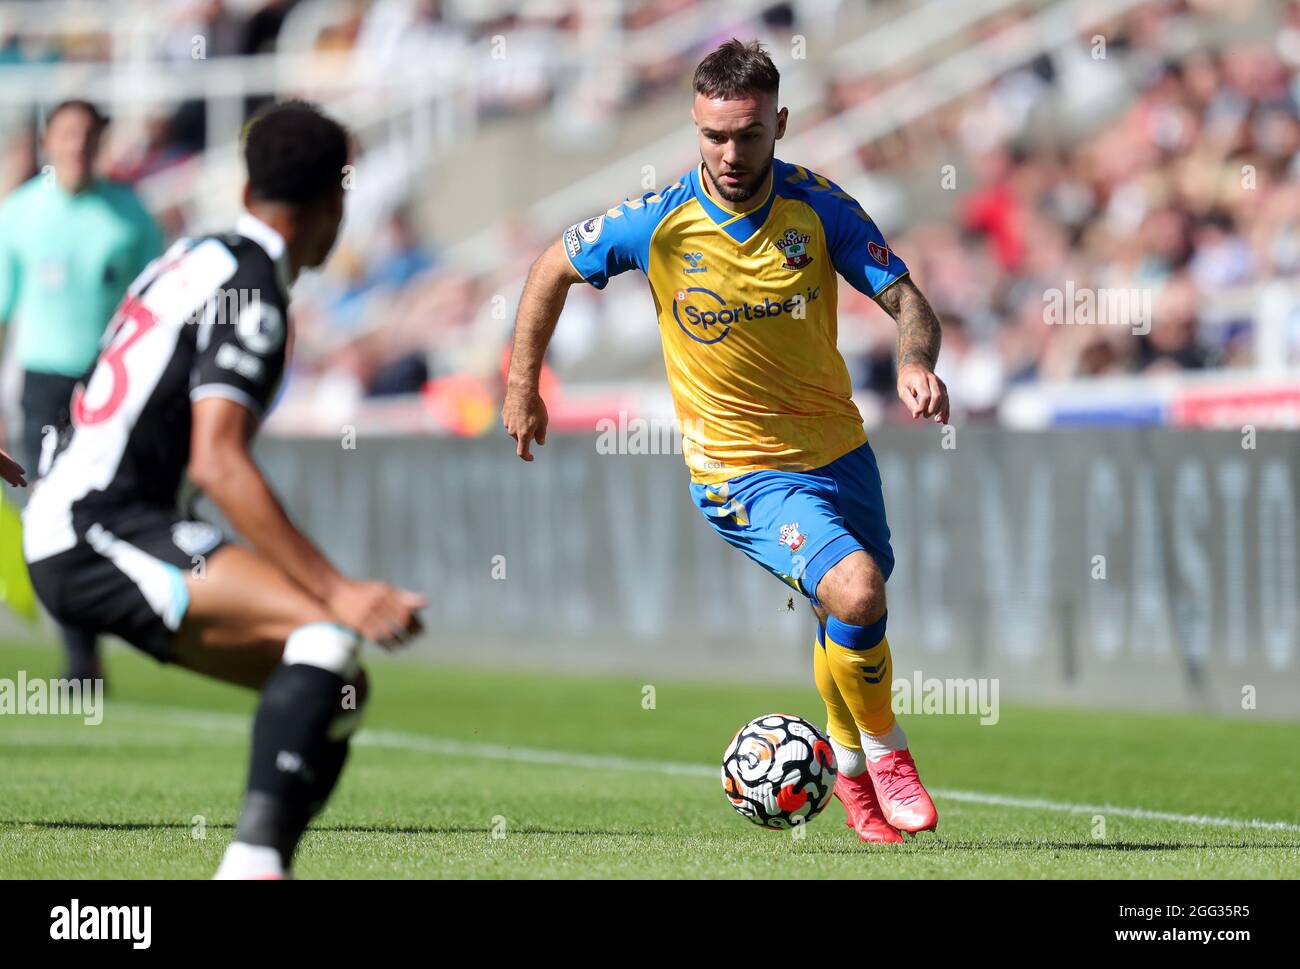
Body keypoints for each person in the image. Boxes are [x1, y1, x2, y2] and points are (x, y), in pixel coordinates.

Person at [502, 40, 949, 843]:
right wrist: (521, 385)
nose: (731, 154)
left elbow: (908, 299)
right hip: (740, 471)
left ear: (781, 124)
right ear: (694, 127)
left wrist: (915, 361)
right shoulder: (659, 221)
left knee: (849, 612)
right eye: (715, 136)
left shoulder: (820, 209)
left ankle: (849, 777)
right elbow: (549, 267)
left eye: (748, 134)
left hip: (839, 450)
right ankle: (888, 754)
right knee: (856, 591)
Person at [22, 101, 425, 878]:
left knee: (335, 680)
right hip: (101, 526)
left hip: (85, 516)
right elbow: (218, 461)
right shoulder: (253, 290)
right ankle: (252, 866)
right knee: (326, 634)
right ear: (335, 205)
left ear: (245, 190)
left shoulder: (194, 255)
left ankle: (260, 860)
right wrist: (338, 586)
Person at [0, 99, 164, 681]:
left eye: (88, 134)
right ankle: (79, 656)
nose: (77, 145)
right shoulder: (19, 213)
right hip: (45, 383)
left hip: (112, 385)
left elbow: (158, 305)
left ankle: (122, 631)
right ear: (49, 142)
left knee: (104, 508)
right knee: (51, 509)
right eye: (67, 134)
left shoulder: (129, 215)